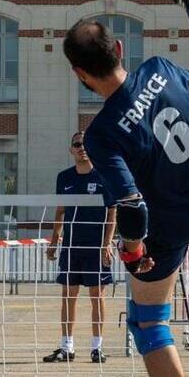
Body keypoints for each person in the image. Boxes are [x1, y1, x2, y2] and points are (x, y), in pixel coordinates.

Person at [63, 0, 189, 377]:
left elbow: (131, 204)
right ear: (120, 50)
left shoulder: (101, 134)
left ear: (79, 74)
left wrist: (134, 254)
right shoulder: (158, 67)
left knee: (148, 323)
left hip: (176, 220)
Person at [43, 131, 117, 364]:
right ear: (71, 150)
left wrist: (107, 244)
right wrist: (54, 242)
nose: (82, 148)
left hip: (95, 247)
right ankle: (67, 346)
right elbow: (59, 211)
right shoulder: (64, 178)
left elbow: (112, 212)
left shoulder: (105, 176)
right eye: (77, 144)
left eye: (86, 144)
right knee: (68, 296)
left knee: (97, 296)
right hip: (72, 247)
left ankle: (97, 347)